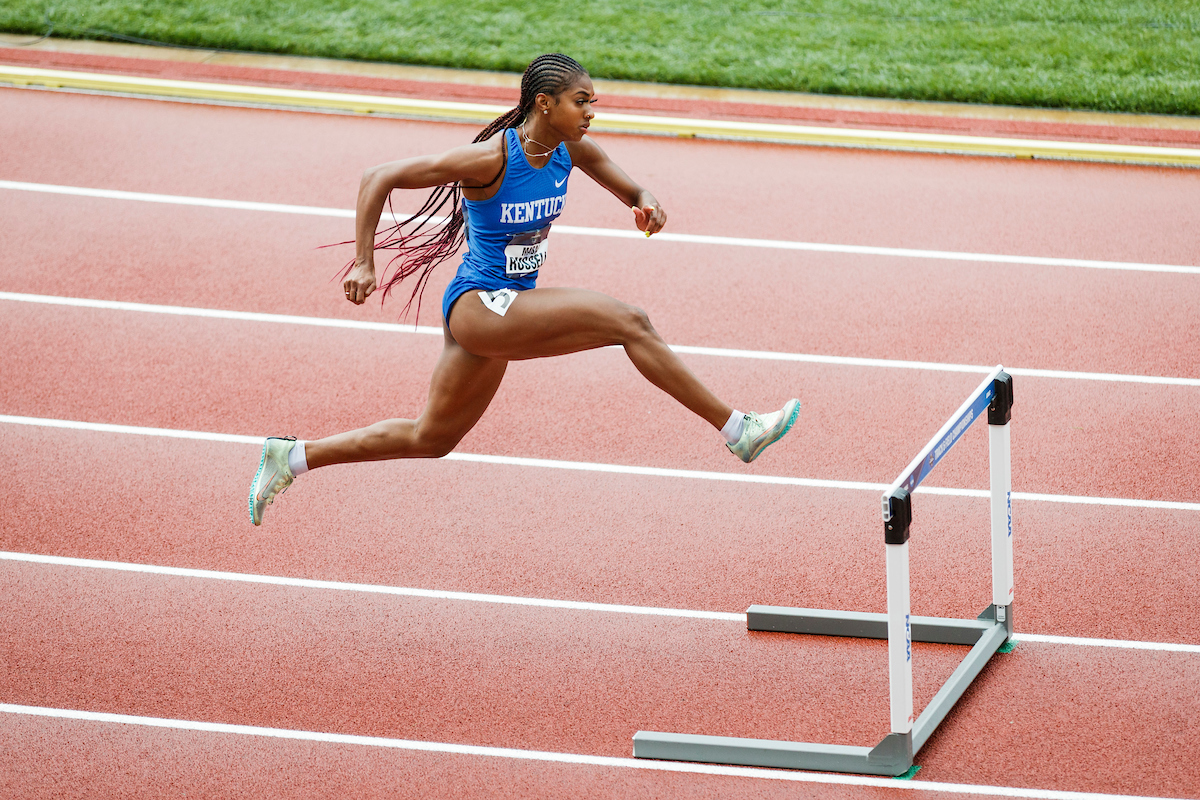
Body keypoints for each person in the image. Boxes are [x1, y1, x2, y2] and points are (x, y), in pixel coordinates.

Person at [249, 53, 799, 526]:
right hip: (479, 305)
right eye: (581, 102)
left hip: (504, 309)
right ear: (544, 103)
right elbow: (378, 176)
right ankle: (737, 429)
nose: (590, 113)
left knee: (430, 439)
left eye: (593, 103)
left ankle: (292, 457)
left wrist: (647, 203)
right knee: (629, 321)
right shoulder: (491, 159)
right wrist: (364, 263)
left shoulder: (572, 151)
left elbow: (631, 187)